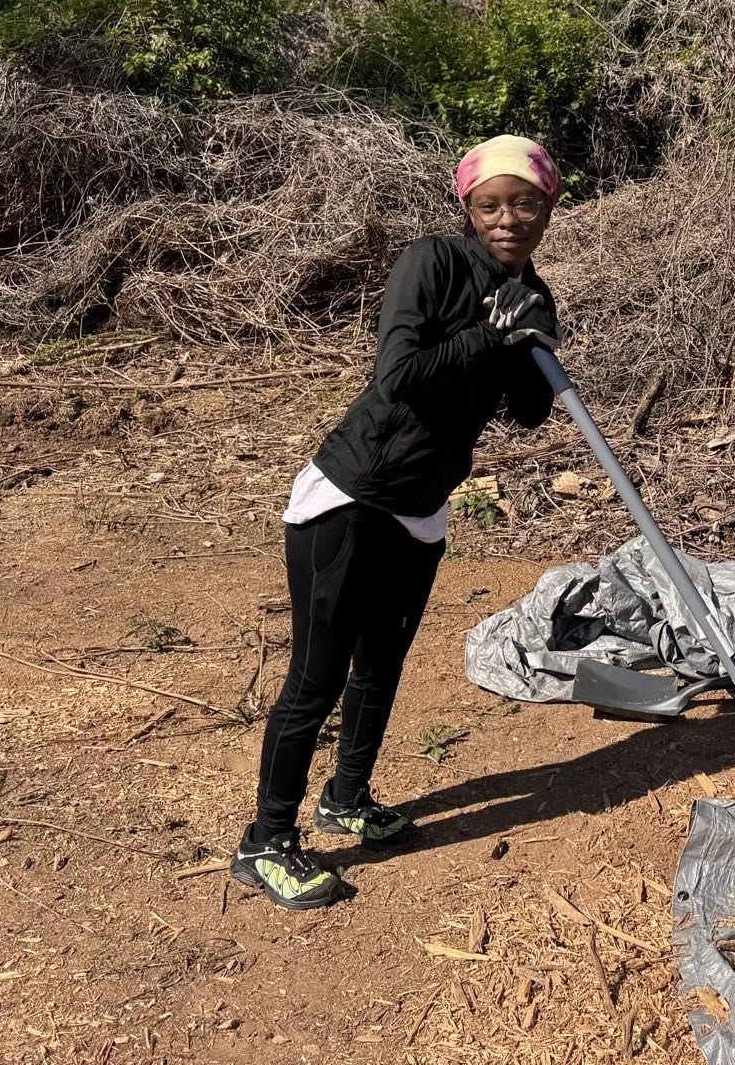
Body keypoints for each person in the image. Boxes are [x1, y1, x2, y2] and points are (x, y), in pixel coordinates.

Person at [231, 135, 564, 910]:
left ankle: (347, 797)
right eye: (491, 205)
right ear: (468, 208)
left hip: (422, 506)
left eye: (525, 204)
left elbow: (526, 412)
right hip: (352, 495)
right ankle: (265, 842)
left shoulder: (532, 292)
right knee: (314, 681)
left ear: (548, 209)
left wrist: (533, 341)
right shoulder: (433, 263)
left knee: (381, 667)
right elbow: (398, 374)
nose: (508, 219)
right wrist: (489, 334)